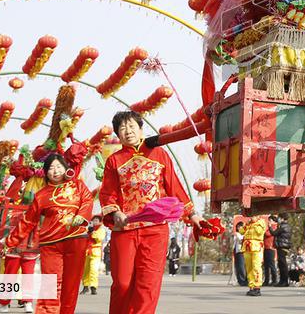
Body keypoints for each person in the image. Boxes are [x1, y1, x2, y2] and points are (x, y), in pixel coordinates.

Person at [99, 111, 207, 314]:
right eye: (122, 128)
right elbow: (107, 193)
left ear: (141, 129)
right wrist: (115, 213)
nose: (128, 131)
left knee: (147, 286)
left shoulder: (159, 154)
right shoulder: (114, 160)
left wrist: (193, 214)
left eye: (132, 126)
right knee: (122, 283)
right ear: (118, 134)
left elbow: (175, 187)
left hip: (155, 230)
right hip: (125, 229)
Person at [0, 153, 94, 314]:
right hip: (51, 244)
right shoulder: (41, 195)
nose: (55, 171)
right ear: (46, 172)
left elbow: (88, 200)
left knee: (71, 284)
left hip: (76, 239)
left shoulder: (77, 185)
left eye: (58, 167)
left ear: (65, 168)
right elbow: (28, 221)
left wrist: (82, 216)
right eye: (51, 168)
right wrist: (10, 241)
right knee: (51, 284)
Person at [242, 216, 268, 296]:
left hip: (257, 247)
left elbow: (259, 232)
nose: (251, 217)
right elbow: (241, 231)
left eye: (253, 216)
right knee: (249, 268)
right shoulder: (248, 224)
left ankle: (257, 287)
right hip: (247, 247)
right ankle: (251, 286)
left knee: (256, 267)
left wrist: (255, 223)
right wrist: (247, 224)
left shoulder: (261, 222)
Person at [82, 215, 106, 294]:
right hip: (87, 251)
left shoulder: (101, 230)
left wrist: (92, 232)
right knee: (85, 270)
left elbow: (99, 238)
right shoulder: (88, 229)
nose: (95, 222)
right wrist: (88, 231)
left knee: (94, 270)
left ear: (100, 222)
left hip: (95, 251)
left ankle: (93, 287)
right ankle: (85, 286)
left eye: (96, 221)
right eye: (93, 220)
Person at [269, 215, 291, 287]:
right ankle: (282, 281)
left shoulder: (283, 226)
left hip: (282, 246)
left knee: (283, 264)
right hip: (282, 246)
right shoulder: (284, 225)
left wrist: (270, 226)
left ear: (282, 218)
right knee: (281, 264)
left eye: (279, 218)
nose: (278, 219)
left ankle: (284, 281)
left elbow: (274, 233)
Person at [231, 222, 246, 286]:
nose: (239, 228)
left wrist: (238, 235)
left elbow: (241, 238)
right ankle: (240, 280)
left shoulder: (245, 234)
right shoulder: (237, 233)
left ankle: (243, 280)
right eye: (238, 227)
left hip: (242, 251)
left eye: (240, 227)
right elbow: (235, 241)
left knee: (241, 266)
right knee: (238, 266)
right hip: (237, 251)